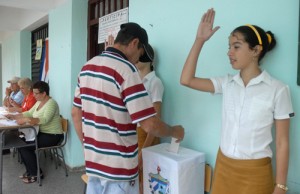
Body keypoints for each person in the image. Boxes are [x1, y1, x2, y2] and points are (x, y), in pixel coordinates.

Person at [180, 9, 293, 194]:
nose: (229, 52)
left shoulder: (278, 89)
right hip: (224, 167)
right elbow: (186, 80)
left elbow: (282, 143)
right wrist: (200, 40)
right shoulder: (227, 83)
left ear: (256, 50)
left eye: (236, 46)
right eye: (229, 46)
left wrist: (280, 186)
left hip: (256, 174)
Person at [71, 22, 184, 194]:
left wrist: (88, 146)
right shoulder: (126, 71)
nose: (138, 59)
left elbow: (75, 113)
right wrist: (174, 131)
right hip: (119, 169)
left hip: (93, 163)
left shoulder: (87, 67)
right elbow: (150, 124)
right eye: (140, 52)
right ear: (134, 43)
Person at [8, 81, 64, 183]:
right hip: (41, 132)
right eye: (33, 93)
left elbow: (45, 119)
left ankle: (36, 174)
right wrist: (14, 116)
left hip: (53, 135)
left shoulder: (52, 103)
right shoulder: (39, 102)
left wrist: (26, 120)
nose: (34, 95)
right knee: (20, 143)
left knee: (24, 147)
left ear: (44, 93)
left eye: (36, 93)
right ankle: (30, 171)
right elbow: (29, 112)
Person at [135, 44, 164, 194]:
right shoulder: (134, 81)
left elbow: (155, 120)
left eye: (142, 54)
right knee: (136, 179)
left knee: (147, 178)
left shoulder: (155, 82)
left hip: (147, 136)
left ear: (150, 59)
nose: (137, 58)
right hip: (133, 134)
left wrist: (144, 150)